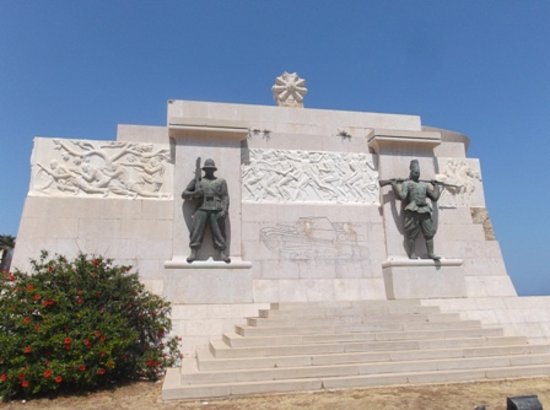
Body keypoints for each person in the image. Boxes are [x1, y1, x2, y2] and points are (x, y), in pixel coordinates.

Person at [390, 159, 441, 260]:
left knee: (429, 233)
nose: (417, 174)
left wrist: (437, 186)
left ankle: (431, 253)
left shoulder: (424, 185)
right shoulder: (407, 184)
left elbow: (434, 197)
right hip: (412, 210)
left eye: (418, 172)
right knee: (411, 234)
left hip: (425, 210)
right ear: (411, 172)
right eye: (415, 172)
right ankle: (412, 253)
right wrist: (395, 186)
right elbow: (402, 196)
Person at [182, 158, 230, 263]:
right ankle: (194, 251)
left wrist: (224, 210)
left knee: (219, 232)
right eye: (207, 169)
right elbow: (184, 194)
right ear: (204, 170)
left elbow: (225, 196)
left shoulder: (221, 181)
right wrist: (194, 193)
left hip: (216, 209)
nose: (209, 171)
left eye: (211, 169)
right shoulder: (197, 181)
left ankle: (221, 251)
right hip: (201, 208)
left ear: (214, 170)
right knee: (196, 230)